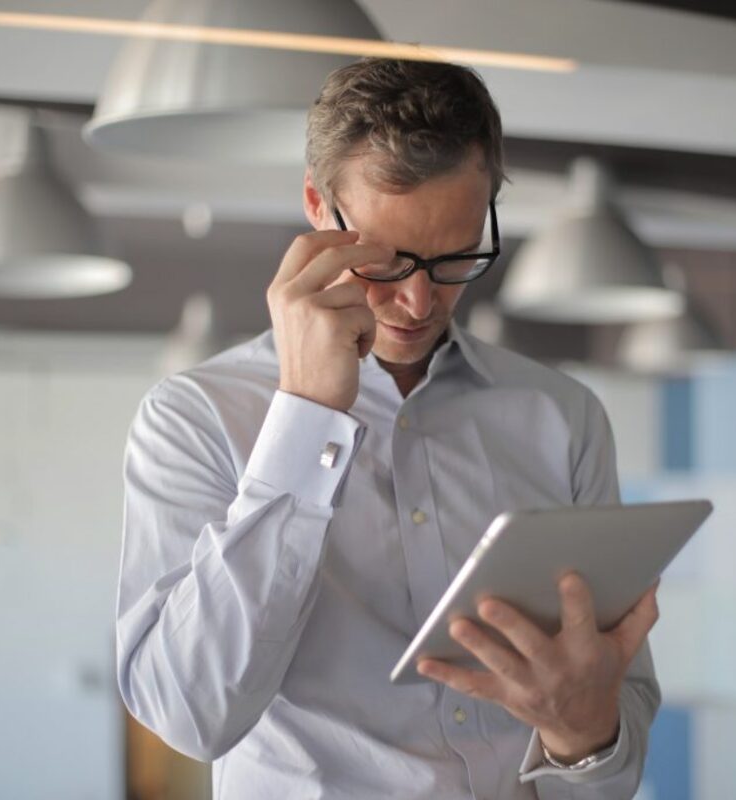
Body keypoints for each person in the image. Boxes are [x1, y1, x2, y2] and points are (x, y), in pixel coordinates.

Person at [118, 58, 660, 799]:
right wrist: (306, 419)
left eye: (455, 256)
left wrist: (580, 735)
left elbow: (614, 748)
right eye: (387, 258)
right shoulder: (193, 419)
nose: (416, 300)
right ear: (317, 203)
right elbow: (190, 715)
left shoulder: (562, 419)